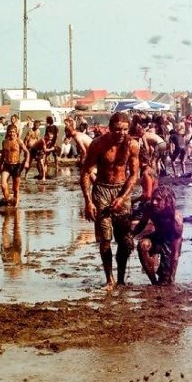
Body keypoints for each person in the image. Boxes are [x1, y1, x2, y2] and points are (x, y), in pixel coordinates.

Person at [80, 111, 140, 289]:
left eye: (124, 130)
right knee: (105, 239)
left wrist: (122, 197)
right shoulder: (98, 145)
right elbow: (85, 172)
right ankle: (109, 279)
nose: (121, 133)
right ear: (110, 128)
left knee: (124, 240)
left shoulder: (132, 145)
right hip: (102, 191)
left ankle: (121, 279)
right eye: (117, 130)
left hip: (121, 190)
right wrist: (88, 201)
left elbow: (134, 175)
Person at [132, 185, 184, 285]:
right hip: (157, 236)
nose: (154, 202)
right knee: (143, 245)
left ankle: (166, 278)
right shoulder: (149, 207)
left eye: (158, 200)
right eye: (153, 199)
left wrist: (172, 278)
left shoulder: (176, 217)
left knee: (165, 280)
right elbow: (142, 224)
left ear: (167, 201)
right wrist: (131, 234)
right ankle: (153, 282)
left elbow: (176, 249)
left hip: (170, 241)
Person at [0, 124, 30, 207]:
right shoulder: (4, 142)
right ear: (7, 132)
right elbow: (3, 156)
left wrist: (26, 162)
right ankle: (8, 201)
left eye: (13, 132)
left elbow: (27, 152)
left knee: (15, 189)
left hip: (16, 166)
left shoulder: (19, 141)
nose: (11, 133)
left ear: (16, 132)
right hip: (7, 165)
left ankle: (16, 207)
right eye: (10, 132)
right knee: (3, 185)